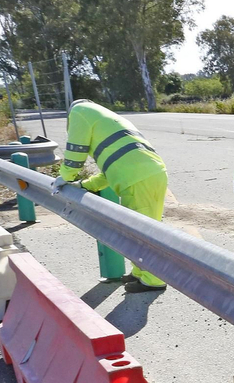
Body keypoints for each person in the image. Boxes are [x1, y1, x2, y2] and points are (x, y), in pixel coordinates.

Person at [52, 99, 170, 293]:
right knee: (137, 230)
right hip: (146, 174)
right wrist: (84, 185)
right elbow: (111, 170)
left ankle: (154, 280)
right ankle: (140, 273)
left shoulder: (79, 113)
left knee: (142, 233)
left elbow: (75, 154)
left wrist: (64, 177)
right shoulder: (102, 116)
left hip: (139, 179)